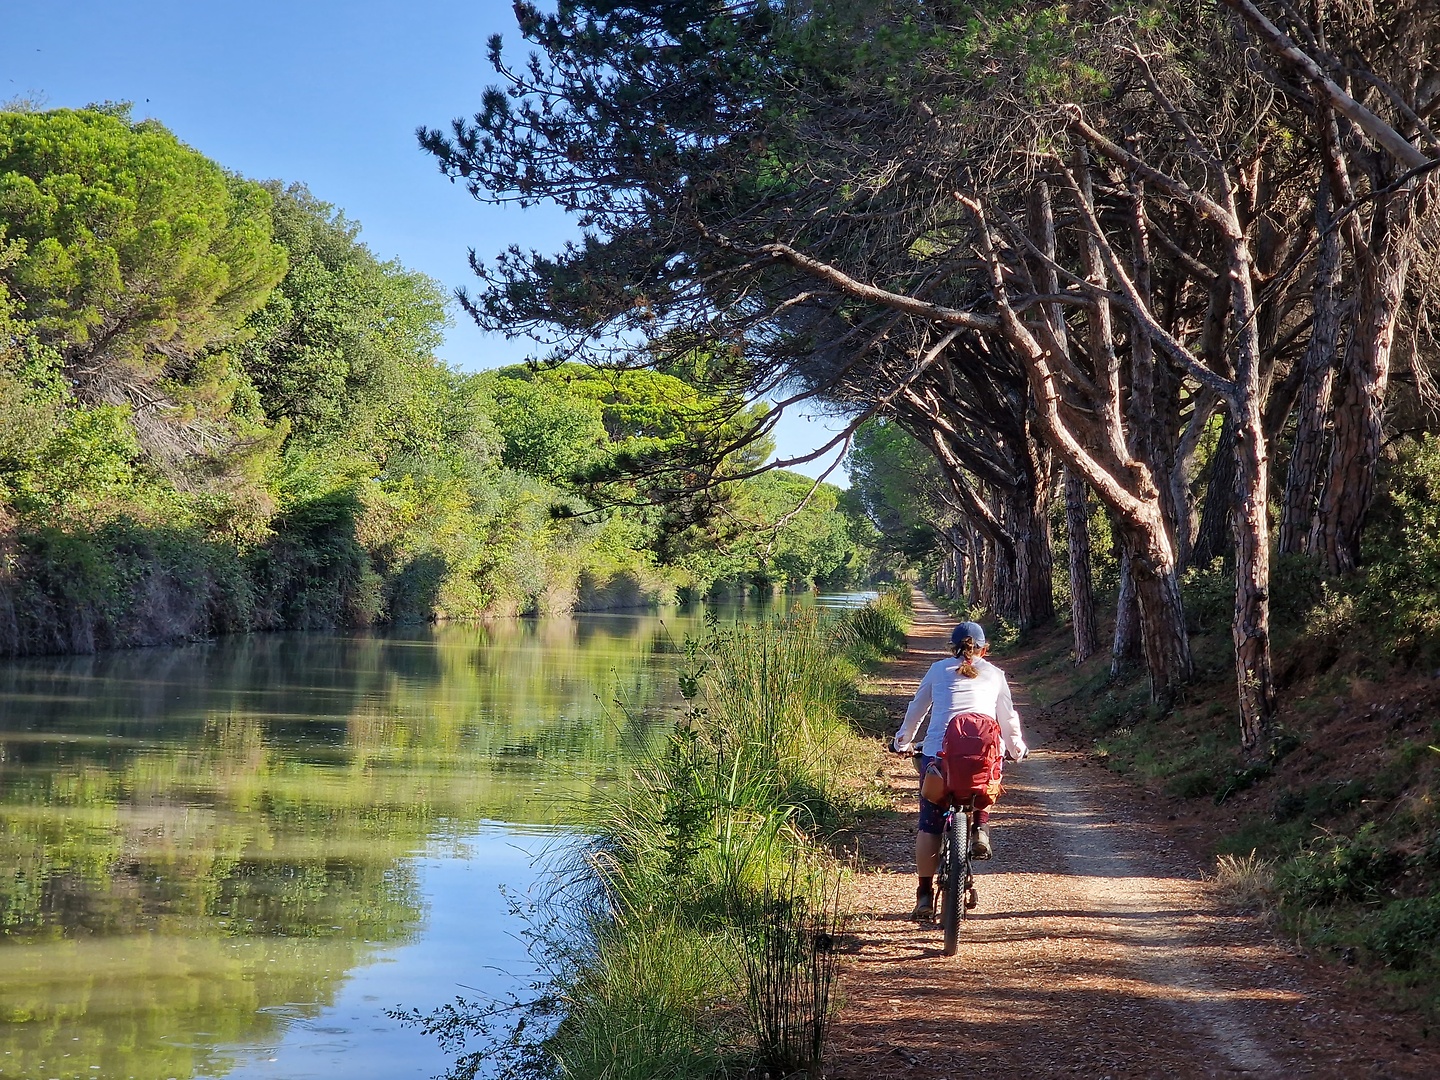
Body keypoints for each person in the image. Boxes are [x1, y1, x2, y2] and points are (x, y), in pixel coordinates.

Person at [891, 620, 1027, 920]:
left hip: (938, 758)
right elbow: (1008, 717)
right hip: (982, 758)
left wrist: (903, 741)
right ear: (984, 649)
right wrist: (1016, 749)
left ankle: (924, 895)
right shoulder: (995, 674)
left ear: (951, 648)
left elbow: (917, 708)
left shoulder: (938, 670)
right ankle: (980, 826)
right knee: (983, 782)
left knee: (930, 824)